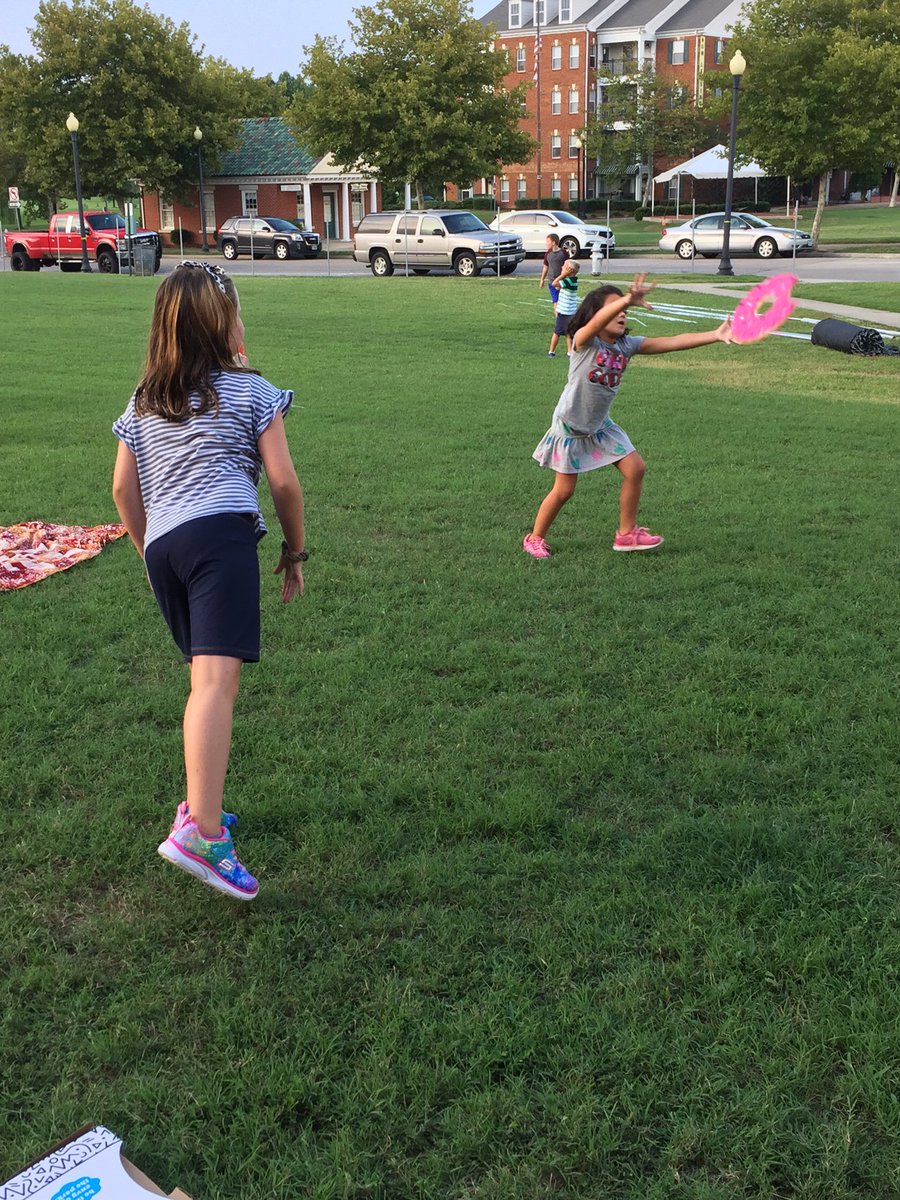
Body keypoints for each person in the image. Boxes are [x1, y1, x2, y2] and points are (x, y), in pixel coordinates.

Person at [112, 261, 306, 900]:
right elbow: (282, 481)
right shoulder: (253, 390)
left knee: (203, 682)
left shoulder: (147, 398)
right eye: (238, 312)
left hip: (166, 545)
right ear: (224, 326)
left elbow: (122, 486)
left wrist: (146, 554)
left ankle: (201, 806)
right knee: (218, 686)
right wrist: (296, 551)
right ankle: (202, 834)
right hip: (220, 536)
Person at [523, 275, 733, 559]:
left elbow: (671, 342)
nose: (622, 313)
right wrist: (626, 298)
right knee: (564, 491)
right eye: (615, 308)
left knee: (635, 469)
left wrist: (715, 335)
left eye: (624, 310)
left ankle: (626, 534)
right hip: (571, 426)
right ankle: (535, 538)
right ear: (597, 314)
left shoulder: (626, 346)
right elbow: (594, 325)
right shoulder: (584, 342)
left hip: (600, 426)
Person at [548, 259, 580, 358]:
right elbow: (558, 287)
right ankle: (569, 352)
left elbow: (554, 284)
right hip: (570, 312)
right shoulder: (570, 280)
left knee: (557, 332)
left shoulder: (568, 281)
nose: (562, 267)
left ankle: (551, 351)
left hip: (565, 312)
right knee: (568, 333)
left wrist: (563, 274)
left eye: (564, 266)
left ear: (569, 270)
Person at [538, 234, 569, 316]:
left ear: (553, 242)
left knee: (563, 301)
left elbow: (568, 266)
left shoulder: (563, 253)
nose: (546, 243)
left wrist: (564, 279)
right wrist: (542, 280)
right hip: (552, 281)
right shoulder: (547, 254)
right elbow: (545, 267)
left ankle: (564, 318)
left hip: (563, 281)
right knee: (556, 301)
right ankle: (558, 320)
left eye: (548, 241)